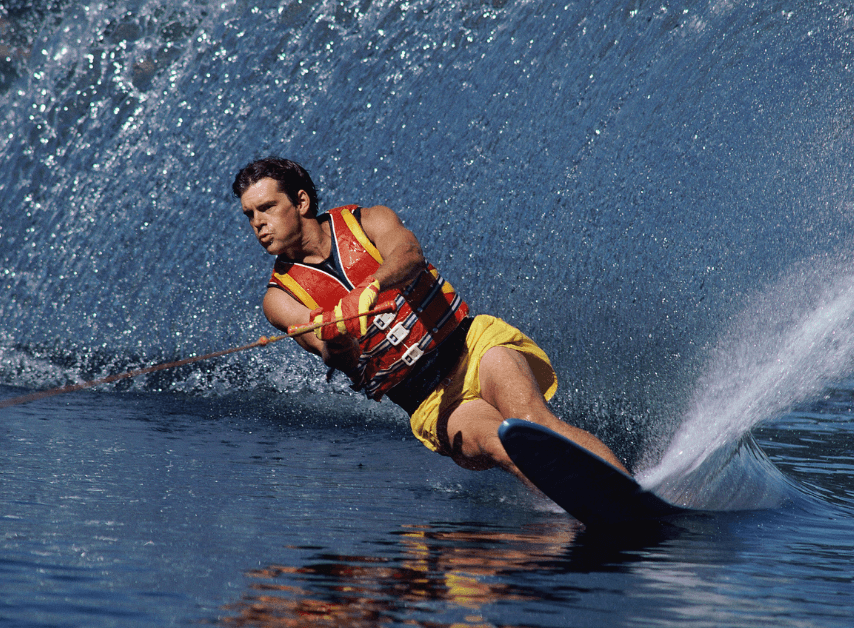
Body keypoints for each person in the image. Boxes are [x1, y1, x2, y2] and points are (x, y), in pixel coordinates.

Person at [232, 157, 626, 485]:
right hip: (431, 400)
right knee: (501, 444)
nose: (257, 223)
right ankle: (580, 510)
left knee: (534, 422)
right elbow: (325, 348)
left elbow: (408, 256)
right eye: (250, 214)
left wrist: (369, 288)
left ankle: (630, 492)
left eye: (267, 208)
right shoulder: (280, 297)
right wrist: (338, 331)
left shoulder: (368, 220)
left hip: (473, 347)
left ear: (300, 202)